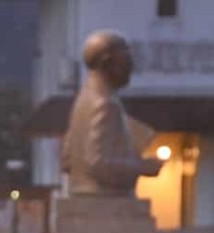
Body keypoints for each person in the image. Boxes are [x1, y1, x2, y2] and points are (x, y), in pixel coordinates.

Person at [61, 29, 162, 196]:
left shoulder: (83, 100)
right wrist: (141, 167)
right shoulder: (106, 104)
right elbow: (97, 163)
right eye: (125, 60)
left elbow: (67, 159)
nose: (130, 67)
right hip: (104, 199)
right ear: (106, 61)